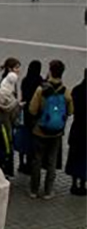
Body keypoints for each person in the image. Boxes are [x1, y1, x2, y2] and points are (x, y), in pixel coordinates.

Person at [28, 60, 74, 199]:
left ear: (50, 71)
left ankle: (34, 190)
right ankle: (48, 191)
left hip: (40, 130)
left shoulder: (41, 90)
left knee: (37, 159)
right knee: (52, 161)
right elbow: (71, 111)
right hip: (56, 132)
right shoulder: (66, 91)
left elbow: (32, 109)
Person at [18, 60, 45, 175]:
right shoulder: (40, 82)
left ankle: (21, 162)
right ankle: (31, 162)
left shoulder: (25, 80)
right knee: (33, 139)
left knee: (23, 137)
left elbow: (23, 95)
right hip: (36, 115)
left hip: (25, 113)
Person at [66, 69, 86, 196]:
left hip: (77, 127)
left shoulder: (77, 89)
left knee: (74, 154)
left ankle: (73, 183)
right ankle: (83, 183)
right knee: (85, 158)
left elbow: (72, 110)